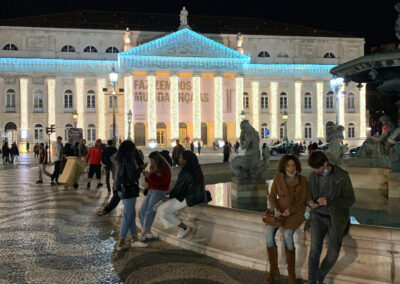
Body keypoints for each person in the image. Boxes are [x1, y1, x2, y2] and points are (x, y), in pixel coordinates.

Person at [306, 151, 355, 284]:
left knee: (333, 254)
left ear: (326, 163)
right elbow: (309, 196)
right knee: (314, 251)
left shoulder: (342, 176)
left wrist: (330, 202)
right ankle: (311, 281)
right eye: (314, 168)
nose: (316, 171)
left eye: (318, 168)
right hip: (317, 217)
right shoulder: (313, 176)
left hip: (335, 219)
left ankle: (319, 277)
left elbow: (350, 200)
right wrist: (310, 203)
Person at [265, 155, 308, 284]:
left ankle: (291, 275)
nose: (291, 168)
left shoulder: (303, 180)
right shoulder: (278, 178)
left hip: (295, 213)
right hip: (279, 212)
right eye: (288, 165)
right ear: (284, 166)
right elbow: (272, 196)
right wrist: (276, 209)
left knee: (288, 235)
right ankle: (274, 270)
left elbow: (303, 201)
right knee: (268, 234)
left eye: (293, 165)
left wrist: (291, 210)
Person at [157, 150, 205, 238]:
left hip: (189, 198)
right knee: (164, 204)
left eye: (180, 158)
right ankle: (174, 220)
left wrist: (169, 197)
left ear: (185, 160)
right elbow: (181, 188)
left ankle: (184, 228)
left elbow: (179, 189)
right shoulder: (194, 169)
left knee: (161, 210)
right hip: (195, 196)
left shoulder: (186, 172)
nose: (179, 160)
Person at [114, 140, 148, 250]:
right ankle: (121, 242)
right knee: (128, 217)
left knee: (132, 215)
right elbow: (131, 177)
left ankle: (135, 239)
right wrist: (141, 169)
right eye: (133, 148)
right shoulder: (128, 160)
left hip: (122, 189)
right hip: (129, 190)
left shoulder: (120, 159)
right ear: (129, 149)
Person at [98, 146, 144, 217]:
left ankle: (106, 210)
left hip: (125, 186)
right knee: (128, 213)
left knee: (128, 213)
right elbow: (131, 176)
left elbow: (130, 175)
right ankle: (106, 210)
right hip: (124, 186)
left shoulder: (123, 160)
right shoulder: (122, 160)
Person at [138, 151, 172, 241]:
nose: (150, 162)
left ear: (156, 159)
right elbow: (150, 181)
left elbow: (162, 182)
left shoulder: (164, 167)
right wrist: (148, 176)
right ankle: (147, 231)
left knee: (150, 210)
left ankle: (143, 232)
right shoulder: (153, 166)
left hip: (159, 191)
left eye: (151, 160)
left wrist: (150, 176)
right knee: (142, 211)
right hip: (151, 190)